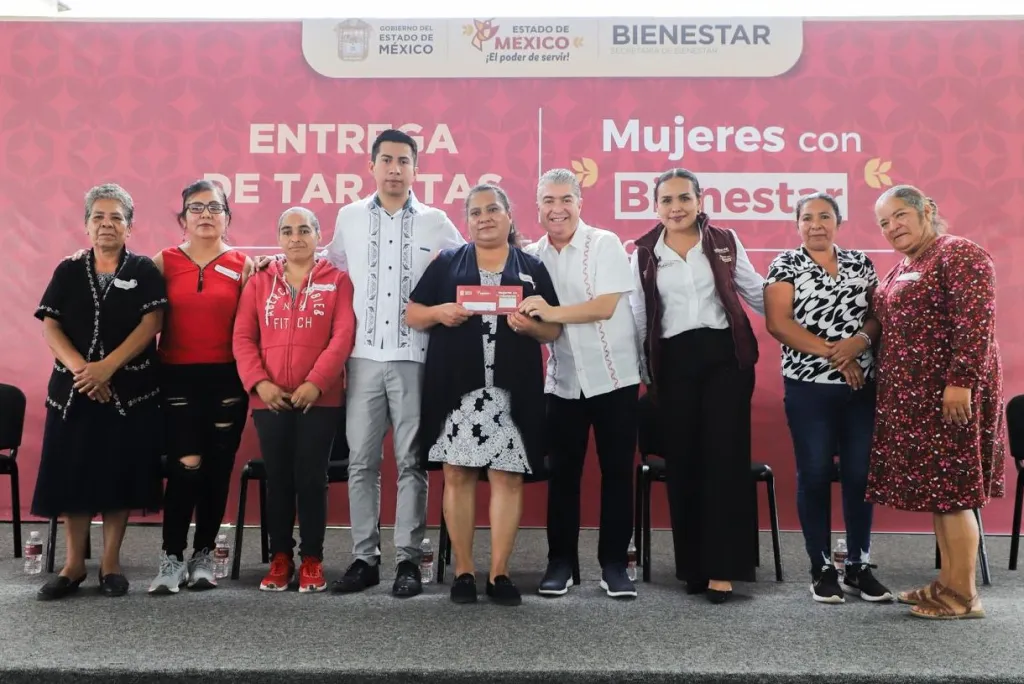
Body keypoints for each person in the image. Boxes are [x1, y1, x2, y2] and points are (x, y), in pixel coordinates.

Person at [326, 129, 466, 598]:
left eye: (403, 161)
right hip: (363, 356)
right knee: (361, 462)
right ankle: (364, 559)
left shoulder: (436, 221)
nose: (394, 169)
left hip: (415, 356)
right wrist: (269, 265)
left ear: (416, 169)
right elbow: (329, 267)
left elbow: (467, 264)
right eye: (386, 160)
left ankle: (408, 559)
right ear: (371, 166)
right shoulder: (348, 217)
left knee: (411, 462)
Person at [406, 184, 561, 606]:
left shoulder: (531, 267)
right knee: (457, 473)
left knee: (507, 476)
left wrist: (534, 327)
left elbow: (553, 328)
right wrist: (440, 312)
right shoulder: (447, 263)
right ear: (467, 221)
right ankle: (463, 571)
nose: (484, 218)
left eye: (492, 209)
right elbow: (413, 313)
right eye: (475, 212)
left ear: (509, 215)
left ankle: (499, 573)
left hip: (513, 386)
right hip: (457, 386)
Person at [629, 168, 765, 604]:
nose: (676, 207)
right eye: (667, 200)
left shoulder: (724, 241)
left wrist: (803, 320)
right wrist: (645, 371)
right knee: (684, 462)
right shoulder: (644, 252)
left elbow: (756, 292)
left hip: (725, 359)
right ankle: (693, 566)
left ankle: (723, 569)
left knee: (724, 459)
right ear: (655, 207)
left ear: (700, 200)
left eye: (684, 198)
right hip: (673, 363)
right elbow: (639, 314)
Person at [869, 185, 1004, 620]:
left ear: (926, 210)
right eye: (884, 223)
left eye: (899, 216)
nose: (892, 227)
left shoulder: (957, 253)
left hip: (950, 397)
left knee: (954, 494)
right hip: (918, 401)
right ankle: (947, 582)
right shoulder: (907, 264)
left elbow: (975, 322)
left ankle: (963, 597)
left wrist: (961, 382)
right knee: (940, 493)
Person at [33, 183, 167, 600]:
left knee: (118, 473)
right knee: (72, 473)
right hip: (74, 391)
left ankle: (111, 564)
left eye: (116, 218)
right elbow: (51, 325)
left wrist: (107, 368)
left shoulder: (144, 270)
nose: (107, 224)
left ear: (130, 226)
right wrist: (83, 371)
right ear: (86, 225)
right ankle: (73, 565)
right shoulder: (68, 270)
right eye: (98, 217)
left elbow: (152, 323)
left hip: (129, 392)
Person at [764, 192, 893, 604]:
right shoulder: (785, 264)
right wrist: (838, 355)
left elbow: (876, 316)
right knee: (816, 473)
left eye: (824, 216)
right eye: (807, 218)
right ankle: (821, 567)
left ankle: (857, 565)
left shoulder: (861, 263)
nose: (816, 224)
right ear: (797, 224)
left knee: (859, 475)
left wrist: (859, 342)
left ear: (838, 222)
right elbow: (779, 323)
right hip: (809, 387)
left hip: (861, 388)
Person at [519, 168, 641, 599]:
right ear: (537, 207)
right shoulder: (530, 257)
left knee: (617, 474)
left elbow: (605, 307)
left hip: (615, 379)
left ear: (579, 203)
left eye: (565, 200)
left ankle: (614, 565)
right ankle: (561, 564)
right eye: (549, 201)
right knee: (563, 477)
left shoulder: (604, 243)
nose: (557, 209)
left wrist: (549, 312)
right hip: (564, 382)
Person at [233, 207, 356, 593]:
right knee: (279, 479)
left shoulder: (338, 281)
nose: (296, 237)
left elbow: (343, 336)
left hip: (320, 399)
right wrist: (260, 384)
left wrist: (317, 383)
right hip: (269, 400)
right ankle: (281, 557)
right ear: (279, 238)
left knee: (311, 478)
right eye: (287, 231)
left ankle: (313, 558)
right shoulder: (259, 281)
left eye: (304, 230)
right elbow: (243, 337)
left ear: (319, 236)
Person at [148, 179, 254, 594]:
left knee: (217, 467)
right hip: (176, 377)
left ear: (227, 217)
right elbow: (124, 286)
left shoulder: (244, 265)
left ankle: (204, 555)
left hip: (227, 378)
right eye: (196, 207)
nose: (206, 214)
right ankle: (171, 557)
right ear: (183, 218)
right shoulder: (163, 261)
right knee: (186, 466)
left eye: (215, 207)